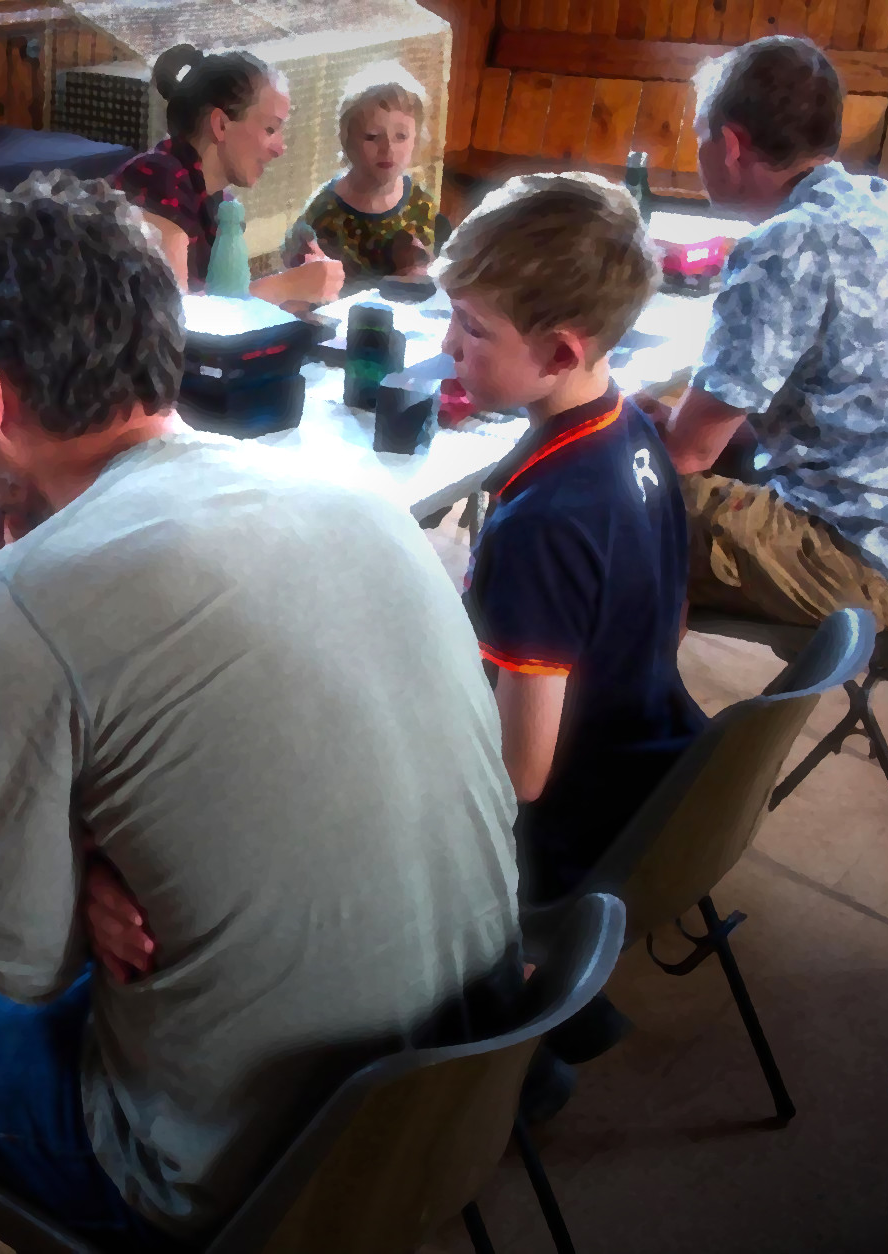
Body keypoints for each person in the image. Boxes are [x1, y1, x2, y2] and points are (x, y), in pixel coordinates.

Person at [0, 170, 522, 1249]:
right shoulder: (357, 498)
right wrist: (94, 850)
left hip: (244, 1185)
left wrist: (68, 850)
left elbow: (15, 961)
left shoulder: (23, 598)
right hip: (462, 1102)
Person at [439, 171, 708, 1113]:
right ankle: (553, 1005)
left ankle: (514, 1035)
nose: (448, 346)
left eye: (472, 330)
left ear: (558, 350)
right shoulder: (629, 428)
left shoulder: (544, 520)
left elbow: (518, 776)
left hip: (574, 819)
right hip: (654, 754)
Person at [648, 36, 888, 633]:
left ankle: (593, 709)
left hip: (864, 560)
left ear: (732, 145)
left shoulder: (786, 242)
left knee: (597, 498)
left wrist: (606, 423)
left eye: (701, 141)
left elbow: (688, 453)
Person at [111, 44, 344, 305]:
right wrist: (287, 287)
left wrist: (301, 288)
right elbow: (174, 323)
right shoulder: (155, 180)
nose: (280, 149)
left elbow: (220, 300)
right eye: (270, 129)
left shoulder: (220, 206)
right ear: (221, 125)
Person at [297, 63, 447, 287]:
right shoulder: (324, 212)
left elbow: (436, 273)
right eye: (372, 136)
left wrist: (422, 268)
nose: (388, 148)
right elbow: (301, 279)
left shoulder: (421, 204)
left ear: (417, 138)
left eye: (401, 136)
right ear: (348, 140)